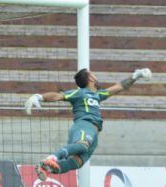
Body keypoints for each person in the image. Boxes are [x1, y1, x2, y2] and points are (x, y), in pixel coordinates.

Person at [24, 67, 152, 180]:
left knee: (76, 163)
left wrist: (136, 76)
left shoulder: (98, 95)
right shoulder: (80, 92)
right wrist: (39, 97)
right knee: (82, 145)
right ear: (90, 78)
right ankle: (53, 157)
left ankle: (46, 168)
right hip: (83, 125)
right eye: (93, 74)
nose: (95, 76)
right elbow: (59, 96)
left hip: (94, 134)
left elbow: (119, 87)